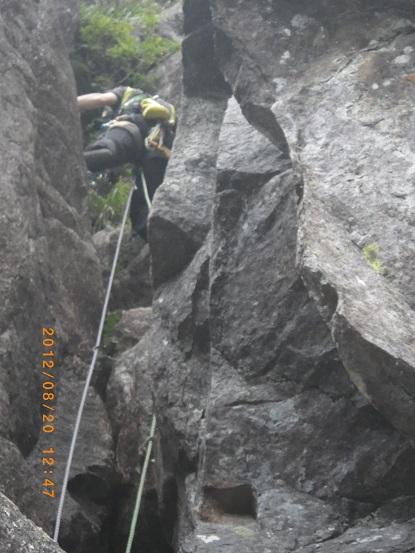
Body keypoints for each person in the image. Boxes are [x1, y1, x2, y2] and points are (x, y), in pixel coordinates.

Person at [77, 86, 176, 240]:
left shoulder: (127, 92)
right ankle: (161, 243)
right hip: (159, 150)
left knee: (108, 152)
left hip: (131, 129)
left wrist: (67, 102)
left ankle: (66, 164)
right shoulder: (159, 112)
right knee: (143, 210)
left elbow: (101, 99)